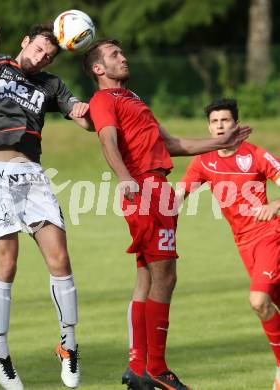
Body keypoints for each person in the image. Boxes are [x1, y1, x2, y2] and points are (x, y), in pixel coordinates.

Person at [82, 40, 251, 390]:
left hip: (157, 189)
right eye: (114, 55)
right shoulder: (103, 100)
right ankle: (157, 368)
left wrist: (224, 141)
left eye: (121, 52)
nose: (123, 57)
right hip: (144, 188)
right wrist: (125, 178)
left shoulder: (134, 99)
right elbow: (107, 142)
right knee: (165, 277)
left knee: (147, 276)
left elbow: (172, 144)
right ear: (99, 69)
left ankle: (138, 367)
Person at [0, 24, 91, 390]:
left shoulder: (51, 84)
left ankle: (68, 345)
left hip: (31, 172)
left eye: (49, 55)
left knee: (60, 259)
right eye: (38, 49)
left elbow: (84, 121)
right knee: (7, 262)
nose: (41, 57)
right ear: (25, 43)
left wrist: (85, 109)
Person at [179, 98, 280, 390]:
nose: (220, 126)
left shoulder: (255, 154)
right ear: (209, 127)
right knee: (272, 303)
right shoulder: (203, 161)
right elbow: (179, 194)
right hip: (243, 244)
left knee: (258, 301)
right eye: (214, 121)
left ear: (235, 124)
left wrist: (275, 203)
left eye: (225, 120)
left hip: (269, 236)